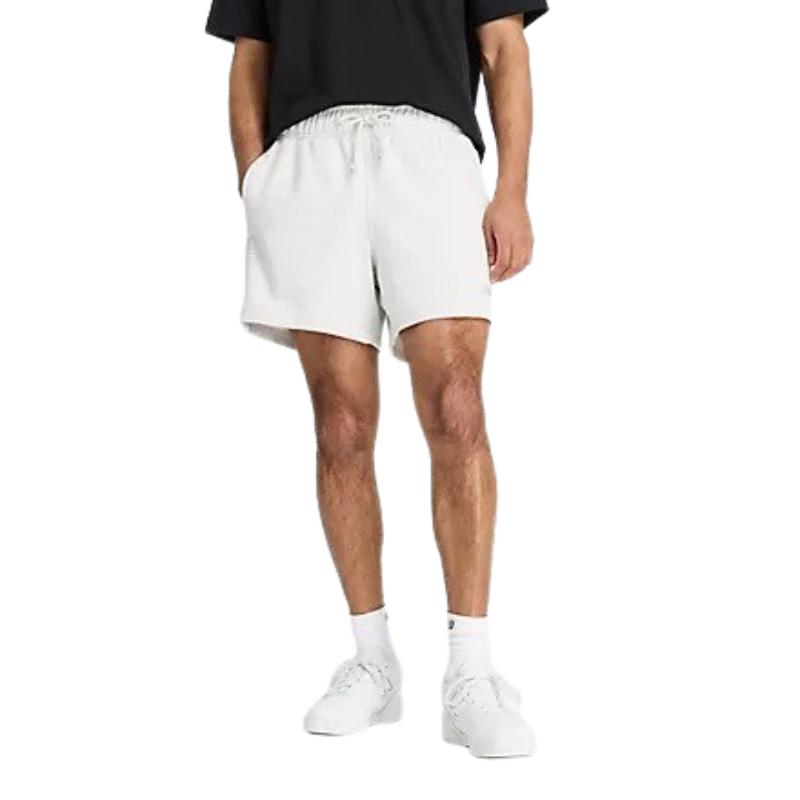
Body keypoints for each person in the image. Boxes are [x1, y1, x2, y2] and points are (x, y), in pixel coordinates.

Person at [206, 0, 548, 758]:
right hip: (307, 157)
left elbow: (504, 48)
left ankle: (471, 670)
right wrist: (257, 183)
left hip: (432, 150)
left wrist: (513, 190)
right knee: (340, 423)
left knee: (457, 406)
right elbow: (249, 57)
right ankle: (372, 660)